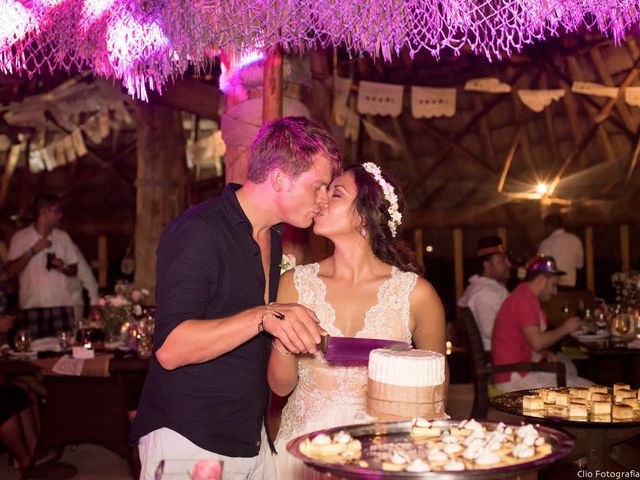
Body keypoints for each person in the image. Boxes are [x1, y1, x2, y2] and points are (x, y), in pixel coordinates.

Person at [130, 116, 342, 480]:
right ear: (279, 178)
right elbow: (170, 348)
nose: (323, 201)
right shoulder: (201, 230)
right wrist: (263, 316)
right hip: (190, 438)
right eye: (319, 187)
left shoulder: (272, 237)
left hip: (248, 437)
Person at [268, 163, 447, 479]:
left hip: (381, 453)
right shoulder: (294, 282)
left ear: (364, 215)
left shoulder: (417, 294)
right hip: (304, 450)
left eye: (335, 193)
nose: (320, 200)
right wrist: (284, 338)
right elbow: (280, 387)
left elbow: (433, 394)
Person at [491, 255, 590, 392]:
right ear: (541, 280)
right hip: (513, 378)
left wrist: (544, 353)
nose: (555, 292)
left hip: (515, 372)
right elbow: (537, 342)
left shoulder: (524, 295)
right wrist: (566, 328)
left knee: (575, 377)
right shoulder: (524, 300)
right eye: (553, 285)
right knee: (590, 391)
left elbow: (528, 342)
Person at [6, 194, 79, 339]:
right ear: (43, 212)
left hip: (61, 306)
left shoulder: (63, 237)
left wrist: (62, 267)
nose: (61, 215)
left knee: (63, 354)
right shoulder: (20, 238)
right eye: (56, 211)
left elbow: (74, 270)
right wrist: (32, 251)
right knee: (32, 355)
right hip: (31, 307)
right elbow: (10, 271)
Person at [457, 236, 511, 351]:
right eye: (501, 261)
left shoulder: (485, 288)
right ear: (486, 265)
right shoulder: (484, 293)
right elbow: (490, 330)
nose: (509, 264)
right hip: (501, 359)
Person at [537, 214, 583, 288]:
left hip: (551, 289)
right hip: (571, 288)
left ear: (549, 227)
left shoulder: (546, 243)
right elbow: (579, 265)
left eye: (545, 228)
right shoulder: (575, 240)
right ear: (562, 226)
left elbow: (540, 269)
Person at [66, 243, 99, 326]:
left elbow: (87, 277)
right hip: (39, 305)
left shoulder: (68, 246)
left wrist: (94, 303)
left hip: (72, 305)